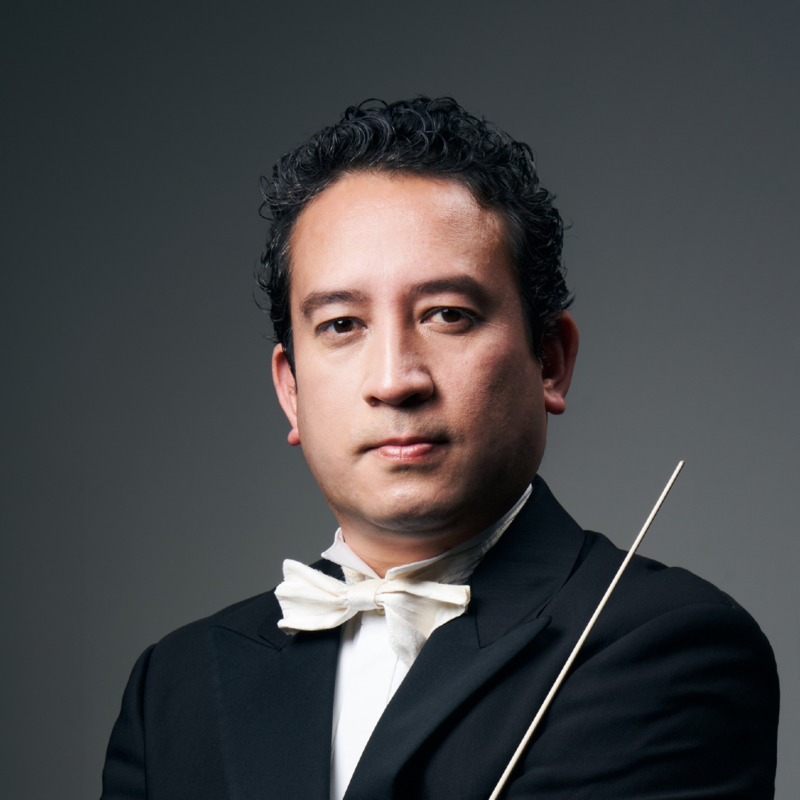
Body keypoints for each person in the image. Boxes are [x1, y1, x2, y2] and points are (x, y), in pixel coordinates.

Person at [100, 97, 779, 799]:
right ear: (291, 389)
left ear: (549, 360)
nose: (395, 381)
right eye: (342, 325)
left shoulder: (668, 643)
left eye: (448, 315)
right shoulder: (174, 685)